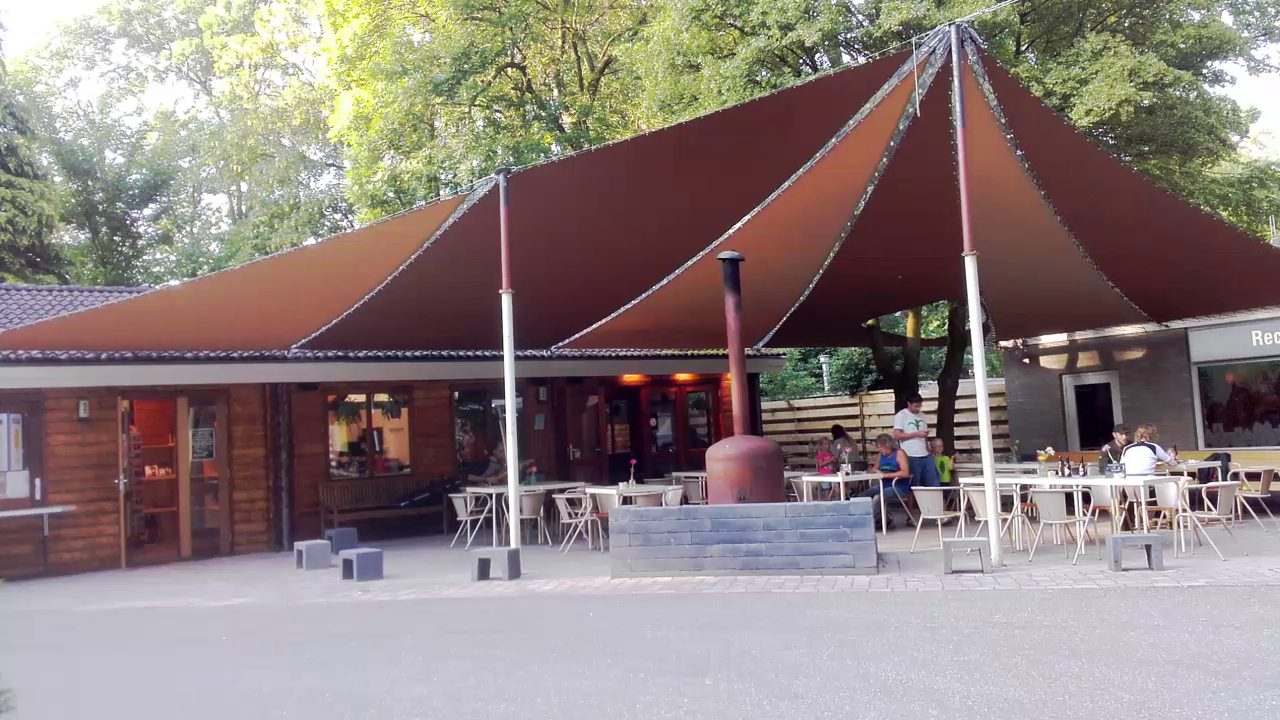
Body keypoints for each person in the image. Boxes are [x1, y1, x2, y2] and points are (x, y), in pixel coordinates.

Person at [856, 434, 911, 528]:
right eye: (878, 447)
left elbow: (905, 473)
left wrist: (885, 475)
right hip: (883, 484)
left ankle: (868, 523)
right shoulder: (881, 455)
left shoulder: (899, 453)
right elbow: (875, 469)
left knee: (877, 498)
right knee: (862, 496)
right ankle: (862, 519)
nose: (879, 449)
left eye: (881, 447)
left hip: (898, 486)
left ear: (888, 445)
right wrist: (868, 472)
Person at [893, 393, 940, 487]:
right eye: (916, 406)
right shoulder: (901, 415)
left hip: (925, 454)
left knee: (933, 481)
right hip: (910, 454)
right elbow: (896, 435)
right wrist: (916, 434)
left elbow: (924, 436)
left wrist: (928, 450)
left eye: (920, 406)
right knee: (914, 483)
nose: (918, 408)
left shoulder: (922, 415)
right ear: (909, 403)